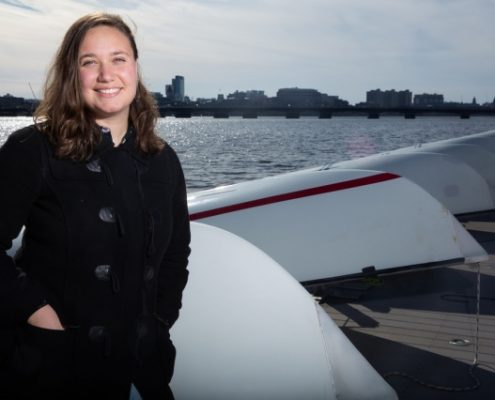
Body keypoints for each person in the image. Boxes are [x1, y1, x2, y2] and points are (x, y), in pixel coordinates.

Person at [0, 12, 190, 399]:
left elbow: (175, 254)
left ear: (135, 68)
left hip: (143, 369)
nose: (107, 75)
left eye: (118, 59)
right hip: (54, 368)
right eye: (90, 62)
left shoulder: (163, 159)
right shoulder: (31, 150)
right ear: (73, 73)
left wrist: (159, 320)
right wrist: (37, 313)